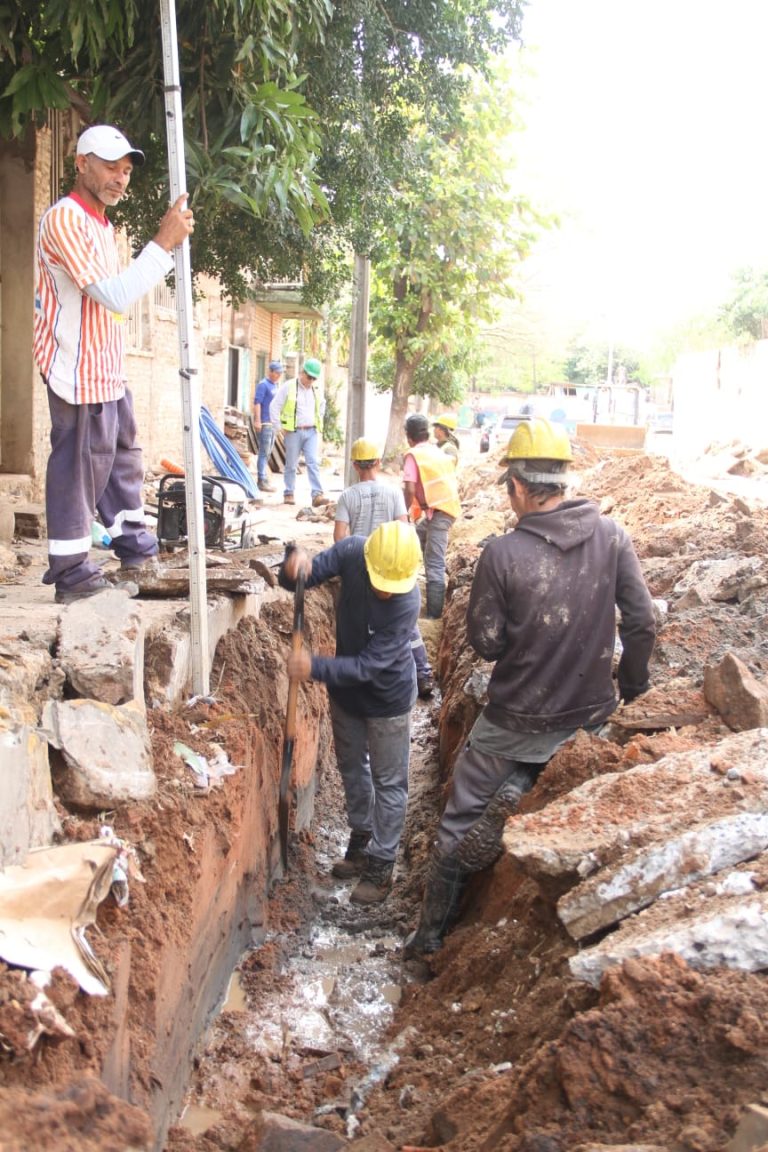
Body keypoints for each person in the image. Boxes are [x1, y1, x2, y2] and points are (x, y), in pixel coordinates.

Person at [405, 417, 656, 959]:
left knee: (457, 825)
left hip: (512, 720)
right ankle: (526, 783)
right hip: (588, 720)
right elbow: (642, 622)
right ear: (563, 480)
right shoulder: (613, 538)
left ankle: (428, 943)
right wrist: (633, 692)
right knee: (537, 767)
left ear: (518, 486)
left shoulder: (503, 553)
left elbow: (486, 644)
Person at [33, 124, 195, 605]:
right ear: (81, 163)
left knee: (123, 464)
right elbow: (114, 294)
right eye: (110, 167)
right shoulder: (65, 219)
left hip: (107, 367)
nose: (120, 178)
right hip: (76, 369)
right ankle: (72, 574)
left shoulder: (101, 225)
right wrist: (162, 243)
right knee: (78, 468)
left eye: (125, 171)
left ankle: (136, 550)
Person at [280, 521, 422, 904]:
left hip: (388, 700)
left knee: (389, 782)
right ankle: (361, 839)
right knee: (352, 768)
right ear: (368, 560)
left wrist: (314, 667)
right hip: (346, 695)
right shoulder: (352, 551)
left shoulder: (407, 603)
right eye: (380, 582)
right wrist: (295, 565)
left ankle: (382, 865)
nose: (385, 592)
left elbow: (368, 666)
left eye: (392, 587)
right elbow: (302, 579)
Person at [335, 438, 434, 698]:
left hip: (362, 569)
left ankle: (363, 682)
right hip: (391, 566)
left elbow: (339, 538)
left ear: (355, 465)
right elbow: (404, 529)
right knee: (405, 623)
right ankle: (422, 673)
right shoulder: (393, 493)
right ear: (378, 463)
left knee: (361, 623)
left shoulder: (347, 496)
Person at [402, 412, 461, 619]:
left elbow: (409, 489)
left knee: (434, 561)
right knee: (417, 536)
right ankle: (411, 581)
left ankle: (434, 615)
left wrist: (402, 512)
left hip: (440, 511)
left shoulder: (413, 455)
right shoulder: (436, 451)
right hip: (443, 508)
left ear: (409, 437)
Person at [269, 358, 329, 507]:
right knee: (291, 464)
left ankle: (317, 494)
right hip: (293, 432)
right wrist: (278, 427)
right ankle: (289, 493)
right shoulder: (288, 386)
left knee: (313, 462)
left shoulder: (316, 389)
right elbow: (274, 406)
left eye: (314, 378)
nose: (311, 381)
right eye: (309, 377)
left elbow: (322, 405)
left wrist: (318, 419)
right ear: (302, 372)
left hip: (311, 431)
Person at [252, 360, 283, 492]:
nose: (279, 375)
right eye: (277, 373)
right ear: (270, 372)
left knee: (268, 453)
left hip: (272, 423)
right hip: (264, 423)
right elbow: (257, 403)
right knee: (263, 452)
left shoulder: (275, 386)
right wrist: (257, 421)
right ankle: (261, 480)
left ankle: (264, 478)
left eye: (280, 373)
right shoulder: (263, 385)